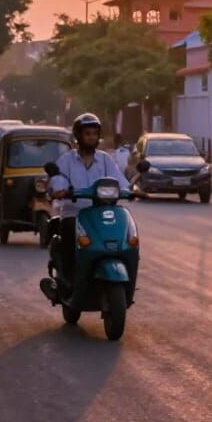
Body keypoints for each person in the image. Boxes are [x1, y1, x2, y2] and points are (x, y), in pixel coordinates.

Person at [41, 113, 128, 300]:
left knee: (125, 235)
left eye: (94, 134)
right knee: (68, 230)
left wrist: (132, 190)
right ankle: (67, 281)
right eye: (87, 133)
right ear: (79, 136)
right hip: (74, 213)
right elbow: (57, 181)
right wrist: (59, 190)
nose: (91, 137)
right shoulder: (66, 161)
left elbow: (120, 181)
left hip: (101, 213)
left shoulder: (105, 160)